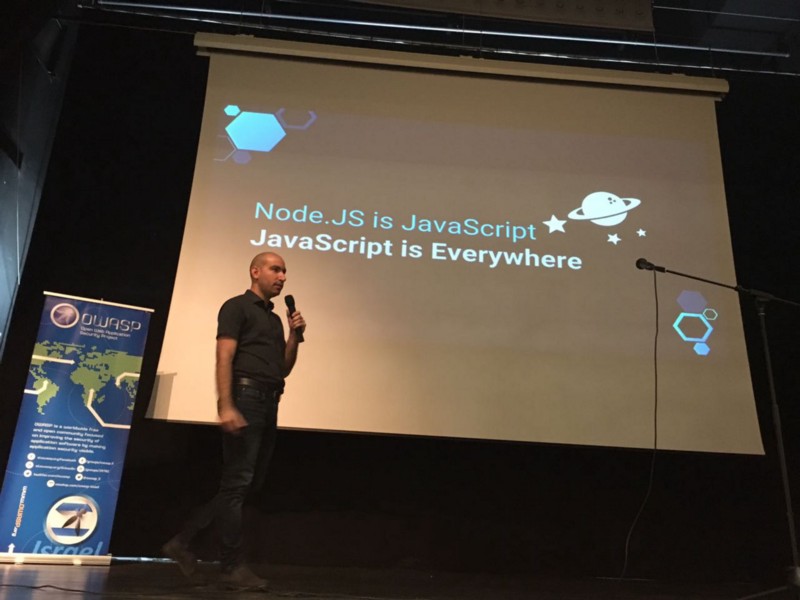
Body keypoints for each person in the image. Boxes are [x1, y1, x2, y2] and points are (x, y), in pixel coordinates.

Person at [162, 251, 306, 591]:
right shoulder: (236, 307)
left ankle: (183, 542)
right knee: (238, 483)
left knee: (244, 485)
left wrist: (294, 336)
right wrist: (226, 404)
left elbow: (283, 368)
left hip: (269, 400)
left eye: (284, 271)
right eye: (275, 269)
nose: (282, 277)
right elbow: (224, 356)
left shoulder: (274, 320)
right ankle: (230, 566)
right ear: (255, 272)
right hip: (246, 397)